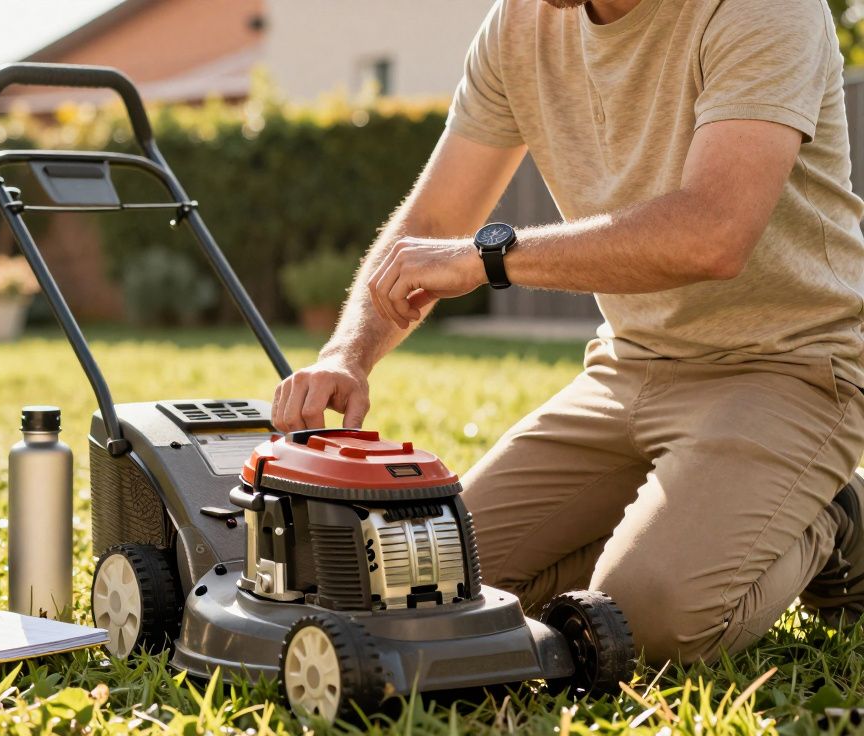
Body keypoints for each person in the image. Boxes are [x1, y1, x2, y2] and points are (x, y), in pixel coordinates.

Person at [271, 0, 864, 665]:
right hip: (628, 370)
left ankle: (833, 515)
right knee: (432, 581)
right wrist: (348, 354)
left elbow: (714, 231)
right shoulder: (519, 24)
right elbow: (436, 214)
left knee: (648, 622)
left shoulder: (761, 9)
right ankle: (697, 519)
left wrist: (487, 257)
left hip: (790, 368)